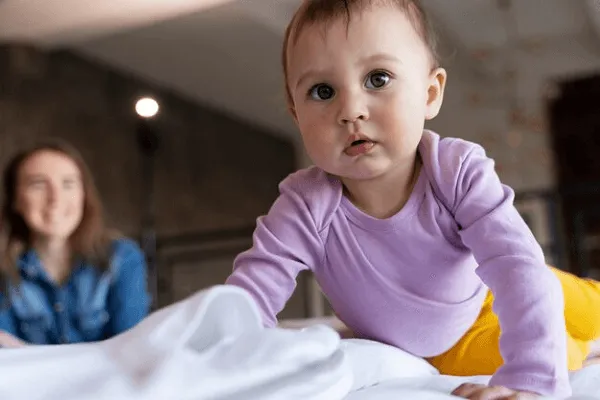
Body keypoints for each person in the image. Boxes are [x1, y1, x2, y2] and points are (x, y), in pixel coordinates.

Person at [225, 1, 600, 399]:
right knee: (556, 349)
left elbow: (516, 267)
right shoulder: (304, 206)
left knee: (575, 301)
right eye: (322, 91)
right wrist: (233, 365)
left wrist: (532, 382)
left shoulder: (456, 170)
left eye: (378, 78)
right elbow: (248, 299)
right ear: (296, 114)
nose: (351, 110)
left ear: (430, 93)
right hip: (454, 340)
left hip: (505, 285)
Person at [0, 139, 150, 347]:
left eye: (68, 184)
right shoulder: (3, 269)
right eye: (38, 184)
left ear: (84, 195)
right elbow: (6, 360)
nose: (56, 198)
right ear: (15, 200)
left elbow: (131, 347)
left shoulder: (122, 257)